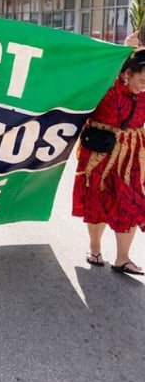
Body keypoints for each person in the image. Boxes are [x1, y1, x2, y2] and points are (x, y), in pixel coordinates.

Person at [73, 49, 145, 275]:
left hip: (132, 156)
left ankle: (122, 258)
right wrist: (125, 49)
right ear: (128, 73)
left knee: (131, 204)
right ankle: (95, 250)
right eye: (142, 79)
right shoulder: (110, 88)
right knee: (97, 200)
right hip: (99, 154)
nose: (144, 85)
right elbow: (95, 70)